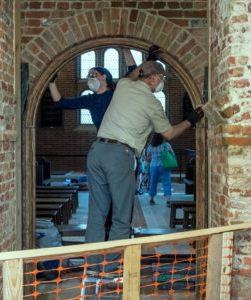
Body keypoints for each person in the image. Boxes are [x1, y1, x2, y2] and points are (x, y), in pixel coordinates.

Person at [85, 60, 204, 276]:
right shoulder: (152, 102)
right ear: (154, 78)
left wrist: (146, 62)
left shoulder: (123, 85)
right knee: (121, 215)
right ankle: (110, 267)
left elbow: (132, 74)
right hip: (119, 155)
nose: (163, 83)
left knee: (96, 213)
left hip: (96, 151)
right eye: (162, 77)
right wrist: (190, 120)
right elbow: (168, 133)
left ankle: (93, 266)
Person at [147, 133, 174, 206]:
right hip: (164, 165)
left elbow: (148, 156)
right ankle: (168, 201)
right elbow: (172, 153)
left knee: (153, 183)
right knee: (166, 182)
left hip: (154, 166)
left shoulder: (150, 146)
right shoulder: (166, 145)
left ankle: (151, 199)